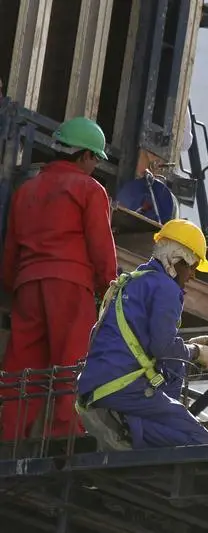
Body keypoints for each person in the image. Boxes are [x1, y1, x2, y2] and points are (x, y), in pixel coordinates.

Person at [0, 117, 117, 441]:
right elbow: (100, 246)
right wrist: (109, 288)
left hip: (27, 287)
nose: (96, 166)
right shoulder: (89, 189)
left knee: (22, 369)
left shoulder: (26, 191)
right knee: (71, 365)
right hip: (69, 286)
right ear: (84, 156)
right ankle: (65, 438)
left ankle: (8, 438)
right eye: (96, 159)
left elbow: (11, 247)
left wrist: (13, 285)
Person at [76, 219, 208, 450]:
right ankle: (124, 427)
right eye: (192, 266)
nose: (193, 275)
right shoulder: (166, 288)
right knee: (199, 441)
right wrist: (197, 352)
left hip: (96, 387)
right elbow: (162, 349)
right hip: (124, 389)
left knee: (172, 382)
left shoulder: (133, 282)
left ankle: (123, 426)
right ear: (175, 260)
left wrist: (185, 348)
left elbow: (151, 346)